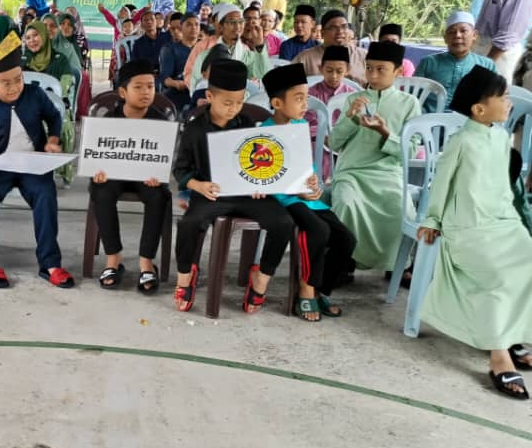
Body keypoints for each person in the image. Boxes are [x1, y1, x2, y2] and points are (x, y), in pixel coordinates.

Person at [417, 66, 532, 398]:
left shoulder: (501, 138)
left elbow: (502, 189)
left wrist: (515, 222)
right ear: (479, 109)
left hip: (503, 223)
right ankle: (499, 356)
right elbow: (441, 184)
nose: (509, 102)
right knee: (497, 274)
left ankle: (514, 334)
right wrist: (432, 220)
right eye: (503, 97)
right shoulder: (462, 142)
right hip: (467, 228)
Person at [171, 59, 294, 313]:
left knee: (283, 222)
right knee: (189, 224)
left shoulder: (246, 124)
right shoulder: (194, 129)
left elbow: (258, 162)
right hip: (211, 193)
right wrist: (198, 185)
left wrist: (259, 182)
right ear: (210, 97)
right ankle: (185, 275)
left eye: (239, 102)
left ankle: (261, 278)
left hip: (246, 193)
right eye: (227, 103)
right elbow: (180, 170)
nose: (234, 109)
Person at [0, 32, 73, 290]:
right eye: (6, 82)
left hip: (32, 165)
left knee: (45, 194)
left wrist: (53, 139)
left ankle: (50, 262)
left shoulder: (35, 94)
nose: (14, 87)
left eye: (18, 79)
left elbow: (54, 117)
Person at [261, 64, 356, 320]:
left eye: (306, 97)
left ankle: (321, 290)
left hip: (308, 198)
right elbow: (265, 176)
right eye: (299, 98)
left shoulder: (300, 125)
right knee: (318, 230)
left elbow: (305, 165)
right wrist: (298, 191)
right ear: (277, 103)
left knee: (346, 239)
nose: (306, 104)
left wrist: (313, 182)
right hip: (283, 199)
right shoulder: (264, 133)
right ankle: (305, 289)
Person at [328, 40, 421, 277]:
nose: (373, 75)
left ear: (398, 71)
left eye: (381, 69)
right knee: (346, 203)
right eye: (369, 68)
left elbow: (409, 152)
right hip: (352, 172)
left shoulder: (409, 104)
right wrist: (351, 117)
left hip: (388, 173)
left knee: (402, 210)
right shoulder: (353, 99)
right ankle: (344, 263)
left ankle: (396, 264)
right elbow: (334, 143)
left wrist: (385, 132)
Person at [89, 59, 172, 293]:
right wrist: (97, 172)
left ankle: (147, 262)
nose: (146, 92)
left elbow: (164, 159)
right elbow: (97, 155)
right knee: (101, 192)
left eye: (150, 86)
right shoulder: (109, 120)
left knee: (158, 195)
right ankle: (113, 259)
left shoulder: (160, 122)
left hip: (146, 178)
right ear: (123, 92)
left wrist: (158, 175)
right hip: (114, 176)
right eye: (138, 87)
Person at [414, 11, 496, 111]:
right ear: (445, 38)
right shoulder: (429, 62)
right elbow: (412, 95)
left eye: (463, 31)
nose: (457, 35)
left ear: (474, 35)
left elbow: (493, 97)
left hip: (466, 119)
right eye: (452, 32)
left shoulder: (486, 65)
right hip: (429, 118)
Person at [188, 4, 269, 90]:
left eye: (240, 22)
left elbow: (260, 74)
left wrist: (259, 45)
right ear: (220, 27)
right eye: (232, 22)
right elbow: (195, 86)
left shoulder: (246, 54)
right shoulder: (205, 56)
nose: (238, 27)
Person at [294, 10, 368, 84]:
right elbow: (288, 86)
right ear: (322, 33)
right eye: (333, 28)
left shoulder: (364, 56)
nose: (340, 31)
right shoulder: (304, 59)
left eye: (344, 27)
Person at [131, 7, 172, 72]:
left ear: (156, 22)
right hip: (147, 74)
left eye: (152, 19)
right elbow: (134, 64)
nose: (149, 22)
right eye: (146, 20)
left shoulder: (167, 37)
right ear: (141, 25)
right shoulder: (138, 44)